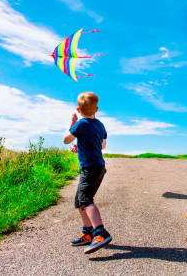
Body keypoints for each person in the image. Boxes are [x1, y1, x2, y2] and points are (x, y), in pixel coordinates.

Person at [63, 92, 112, 254]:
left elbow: (66, 140)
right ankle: (88, 232)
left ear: (78, 109)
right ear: (96, 109)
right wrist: (85, 144)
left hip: (89, 168)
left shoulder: (80, 124)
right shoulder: (100, 125)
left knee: (86, 199)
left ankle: (100, 232)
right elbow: (102, 146)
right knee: (79, 201)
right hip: (98, 166)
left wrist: (71, 124)